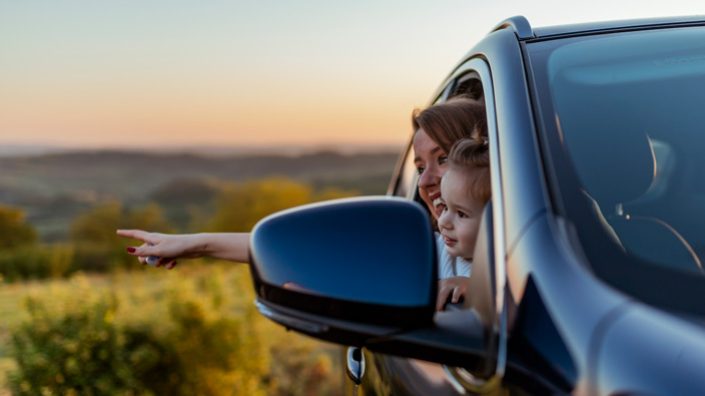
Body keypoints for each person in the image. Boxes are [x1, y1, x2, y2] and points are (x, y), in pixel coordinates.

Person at [118, 96, 488, 308]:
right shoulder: (431, 245)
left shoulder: (531, 251)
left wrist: (487, 294)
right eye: (419, 166)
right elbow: (313, 248)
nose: (424, 181)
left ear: (482, 163)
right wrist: (194, 243)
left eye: (442, 160)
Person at [433, 138, 491, 311]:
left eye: (461, 214)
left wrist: (477, 289)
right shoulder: (435, 250)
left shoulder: (505, 273)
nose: (444, 222)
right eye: (444, 207)